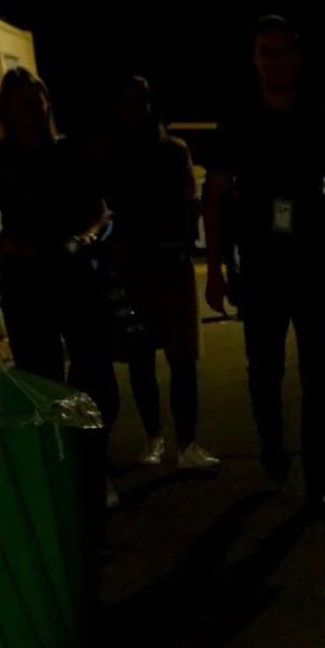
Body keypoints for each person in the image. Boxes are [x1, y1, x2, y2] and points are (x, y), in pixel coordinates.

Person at [203, 18, 325, 516]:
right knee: (263, 373)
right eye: (266, 51)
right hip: (260, 266)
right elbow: (215, 197)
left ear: (297, 57)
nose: (275, 60)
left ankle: (318, 482)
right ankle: (271, 444)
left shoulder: (320, 121)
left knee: (318, 379)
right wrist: (215, 268)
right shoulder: (238, 122)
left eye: (283, 51)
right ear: (255, 59)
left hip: (310, 262)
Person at [0, 68, 121, 502]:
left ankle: (94, 462)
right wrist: (20, 250)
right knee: (42, 379)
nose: (33, 113)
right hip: (27, 280)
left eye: (38, 103)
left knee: (94, 374)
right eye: (23, 105)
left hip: (73, 273)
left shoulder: (69, 152)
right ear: (8, 111)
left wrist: (87, 239)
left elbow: (102, 211)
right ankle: (62, 470)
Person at [95, 76, 218, 473]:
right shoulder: (111, 155)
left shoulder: (172, 150)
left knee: (183, 359)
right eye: (129, 104)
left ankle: (186, 441)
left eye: (142, 103)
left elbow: (189, 200)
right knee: (140, 357)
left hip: (169, 261)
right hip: (133, 265)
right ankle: (155, 438)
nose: (137, 112)